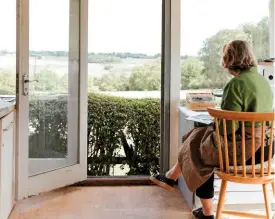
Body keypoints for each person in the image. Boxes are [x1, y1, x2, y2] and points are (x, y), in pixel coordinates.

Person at [150, 40, 274, 219]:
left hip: (248, 150)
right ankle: (171, 176)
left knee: (199, 151)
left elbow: (229, 130)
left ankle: (206, 212)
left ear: (231, 58)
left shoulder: (236, 85)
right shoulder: (262, 82)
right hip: (267, 150)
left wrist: (216, 122)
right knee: (198, 137)